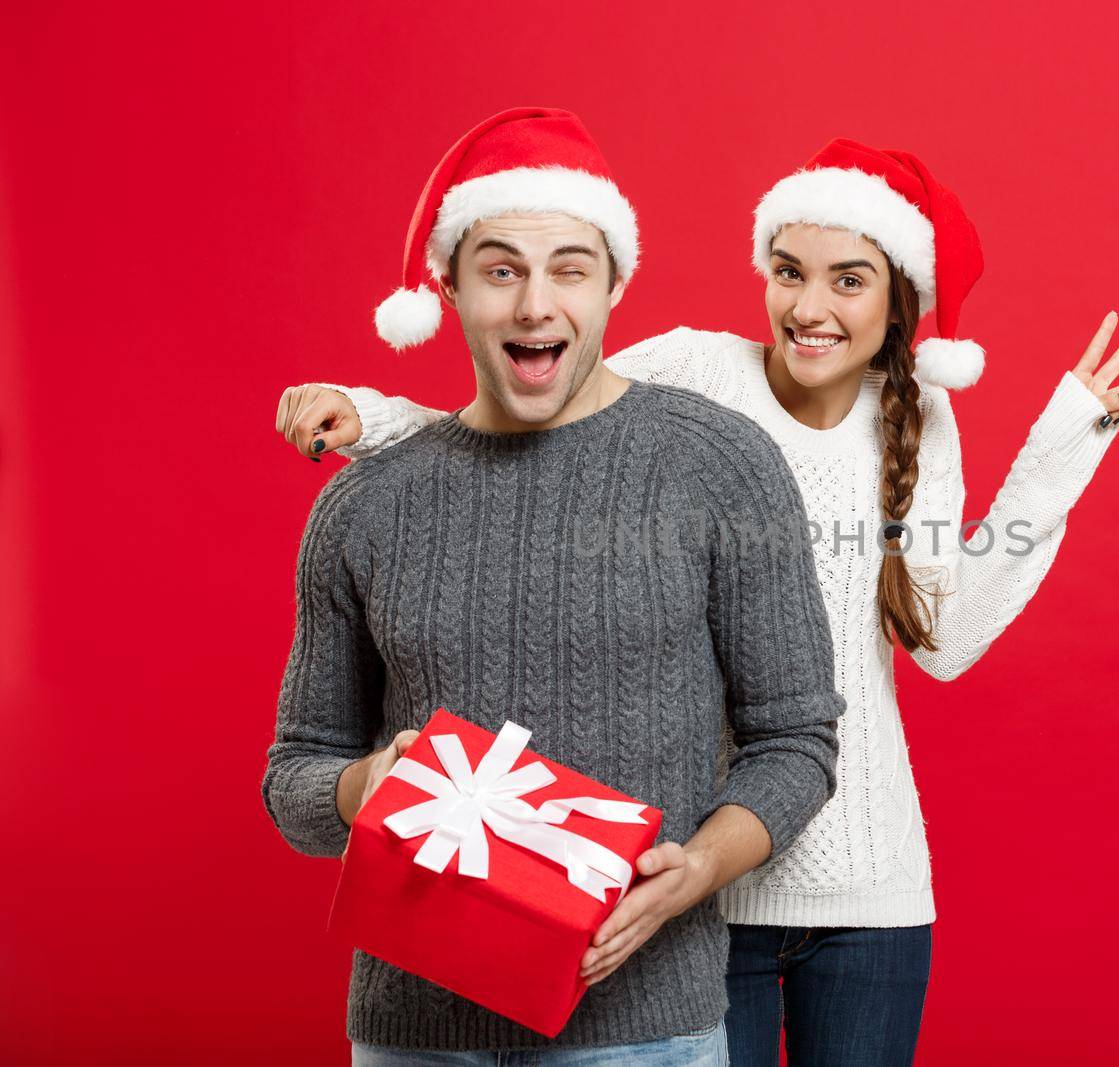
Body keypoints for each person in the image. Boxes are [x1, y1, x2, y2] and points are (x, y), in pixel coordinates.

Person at [278, 137, 1119, 1066]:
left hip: (860, 883)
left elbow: (945, 638)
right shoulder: (698, 375)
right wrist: (378, 421)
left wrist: (1059, 457)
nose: (808, 308)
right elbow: (546, 409)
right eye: (787, 272)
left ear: (897, 305)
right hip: (698, 893)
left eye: (848, 282)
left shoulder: (919, 422)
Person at [260, 107, 845, 1067]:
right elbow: (295, 774)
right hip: (418, 1036)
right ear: (448, 285)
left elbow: (798, 739)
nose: (536, 306)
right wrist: (367, 785)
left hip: (647, 1028)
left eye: (570, 268)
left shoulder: (719, 464)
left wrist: (696, 869)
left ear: (617, 282)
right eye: (501, 270)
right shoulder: (364, 506)